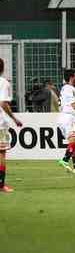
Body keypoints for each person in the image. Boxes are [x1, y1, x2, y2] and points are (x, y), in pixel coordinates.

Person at [0, 58, 23, 193]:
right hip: (0, 124)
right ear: (2, 69)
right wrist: (14, 119)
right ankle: (1, 185)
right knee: (1, 153)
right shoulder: (4, 83)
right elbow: (3, 103)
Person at [57, 70, 75, 174]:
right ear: (72, 77)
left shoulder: (71, 89)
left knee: (74, 141)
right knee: (73, 140)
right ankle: (64, 159)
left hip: (66, 117)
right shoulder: (68, 88)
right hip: (68, 117)